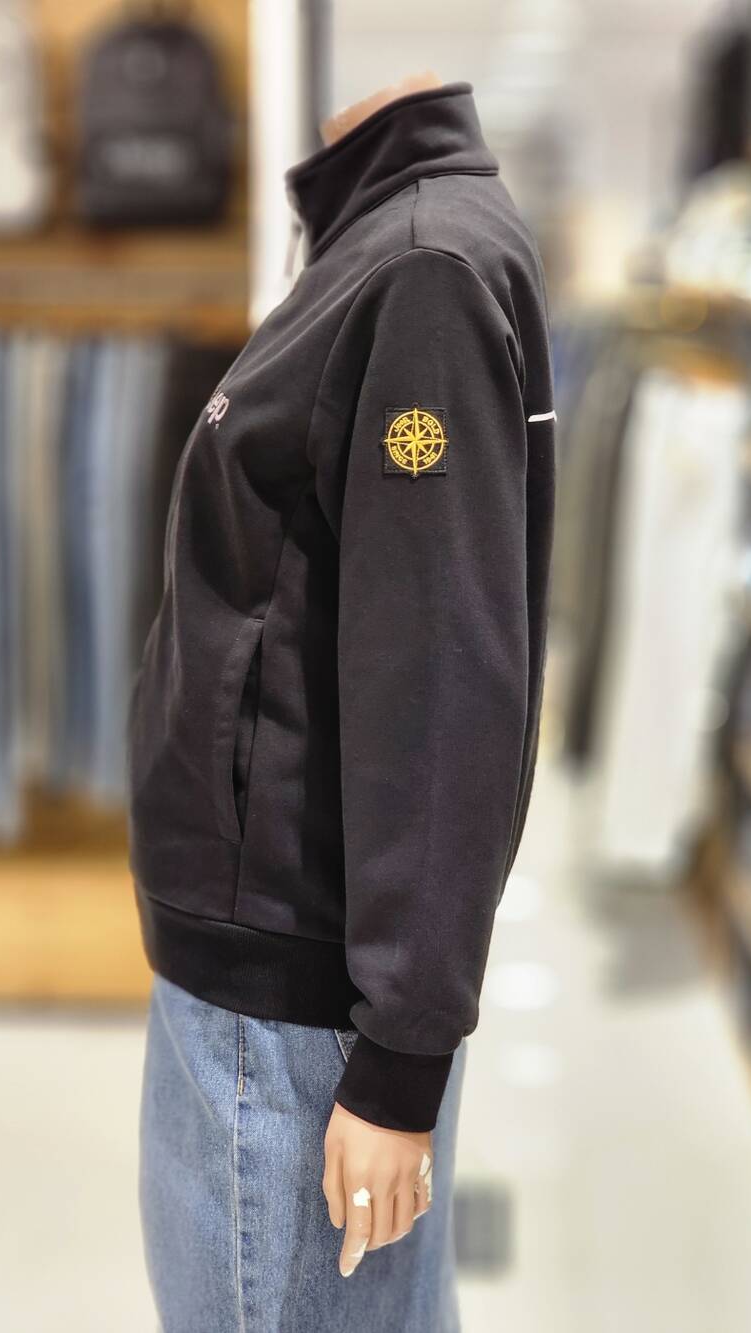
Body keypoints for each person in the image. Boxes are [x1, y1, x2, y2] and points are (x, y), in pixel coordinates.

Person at [128, 70, 556, 1331]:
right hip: (285, 980)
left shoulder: (417, 270)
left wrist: (400, 1056)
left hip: (290, 1008)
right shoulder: (394, 247)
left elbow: (441, 674)